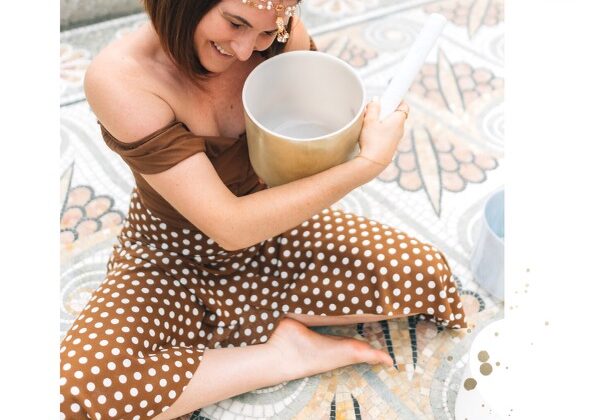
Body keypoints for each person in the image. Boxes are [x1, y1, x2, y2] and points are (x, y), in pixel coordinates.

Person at [60, 0, 467, 418]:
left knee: (425, 276)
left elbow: (312, 146)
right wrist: (367, 165)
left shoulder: (282, 34)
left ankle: (238, 327)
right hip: (172, 255)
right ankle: (281, 355)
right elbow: (230, 227)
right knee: (76, 392)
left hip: (274, 232)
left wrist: (347, 131)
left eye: (265, 33)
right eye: (234, 23)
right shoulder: (120, 78)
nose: (243, 50)